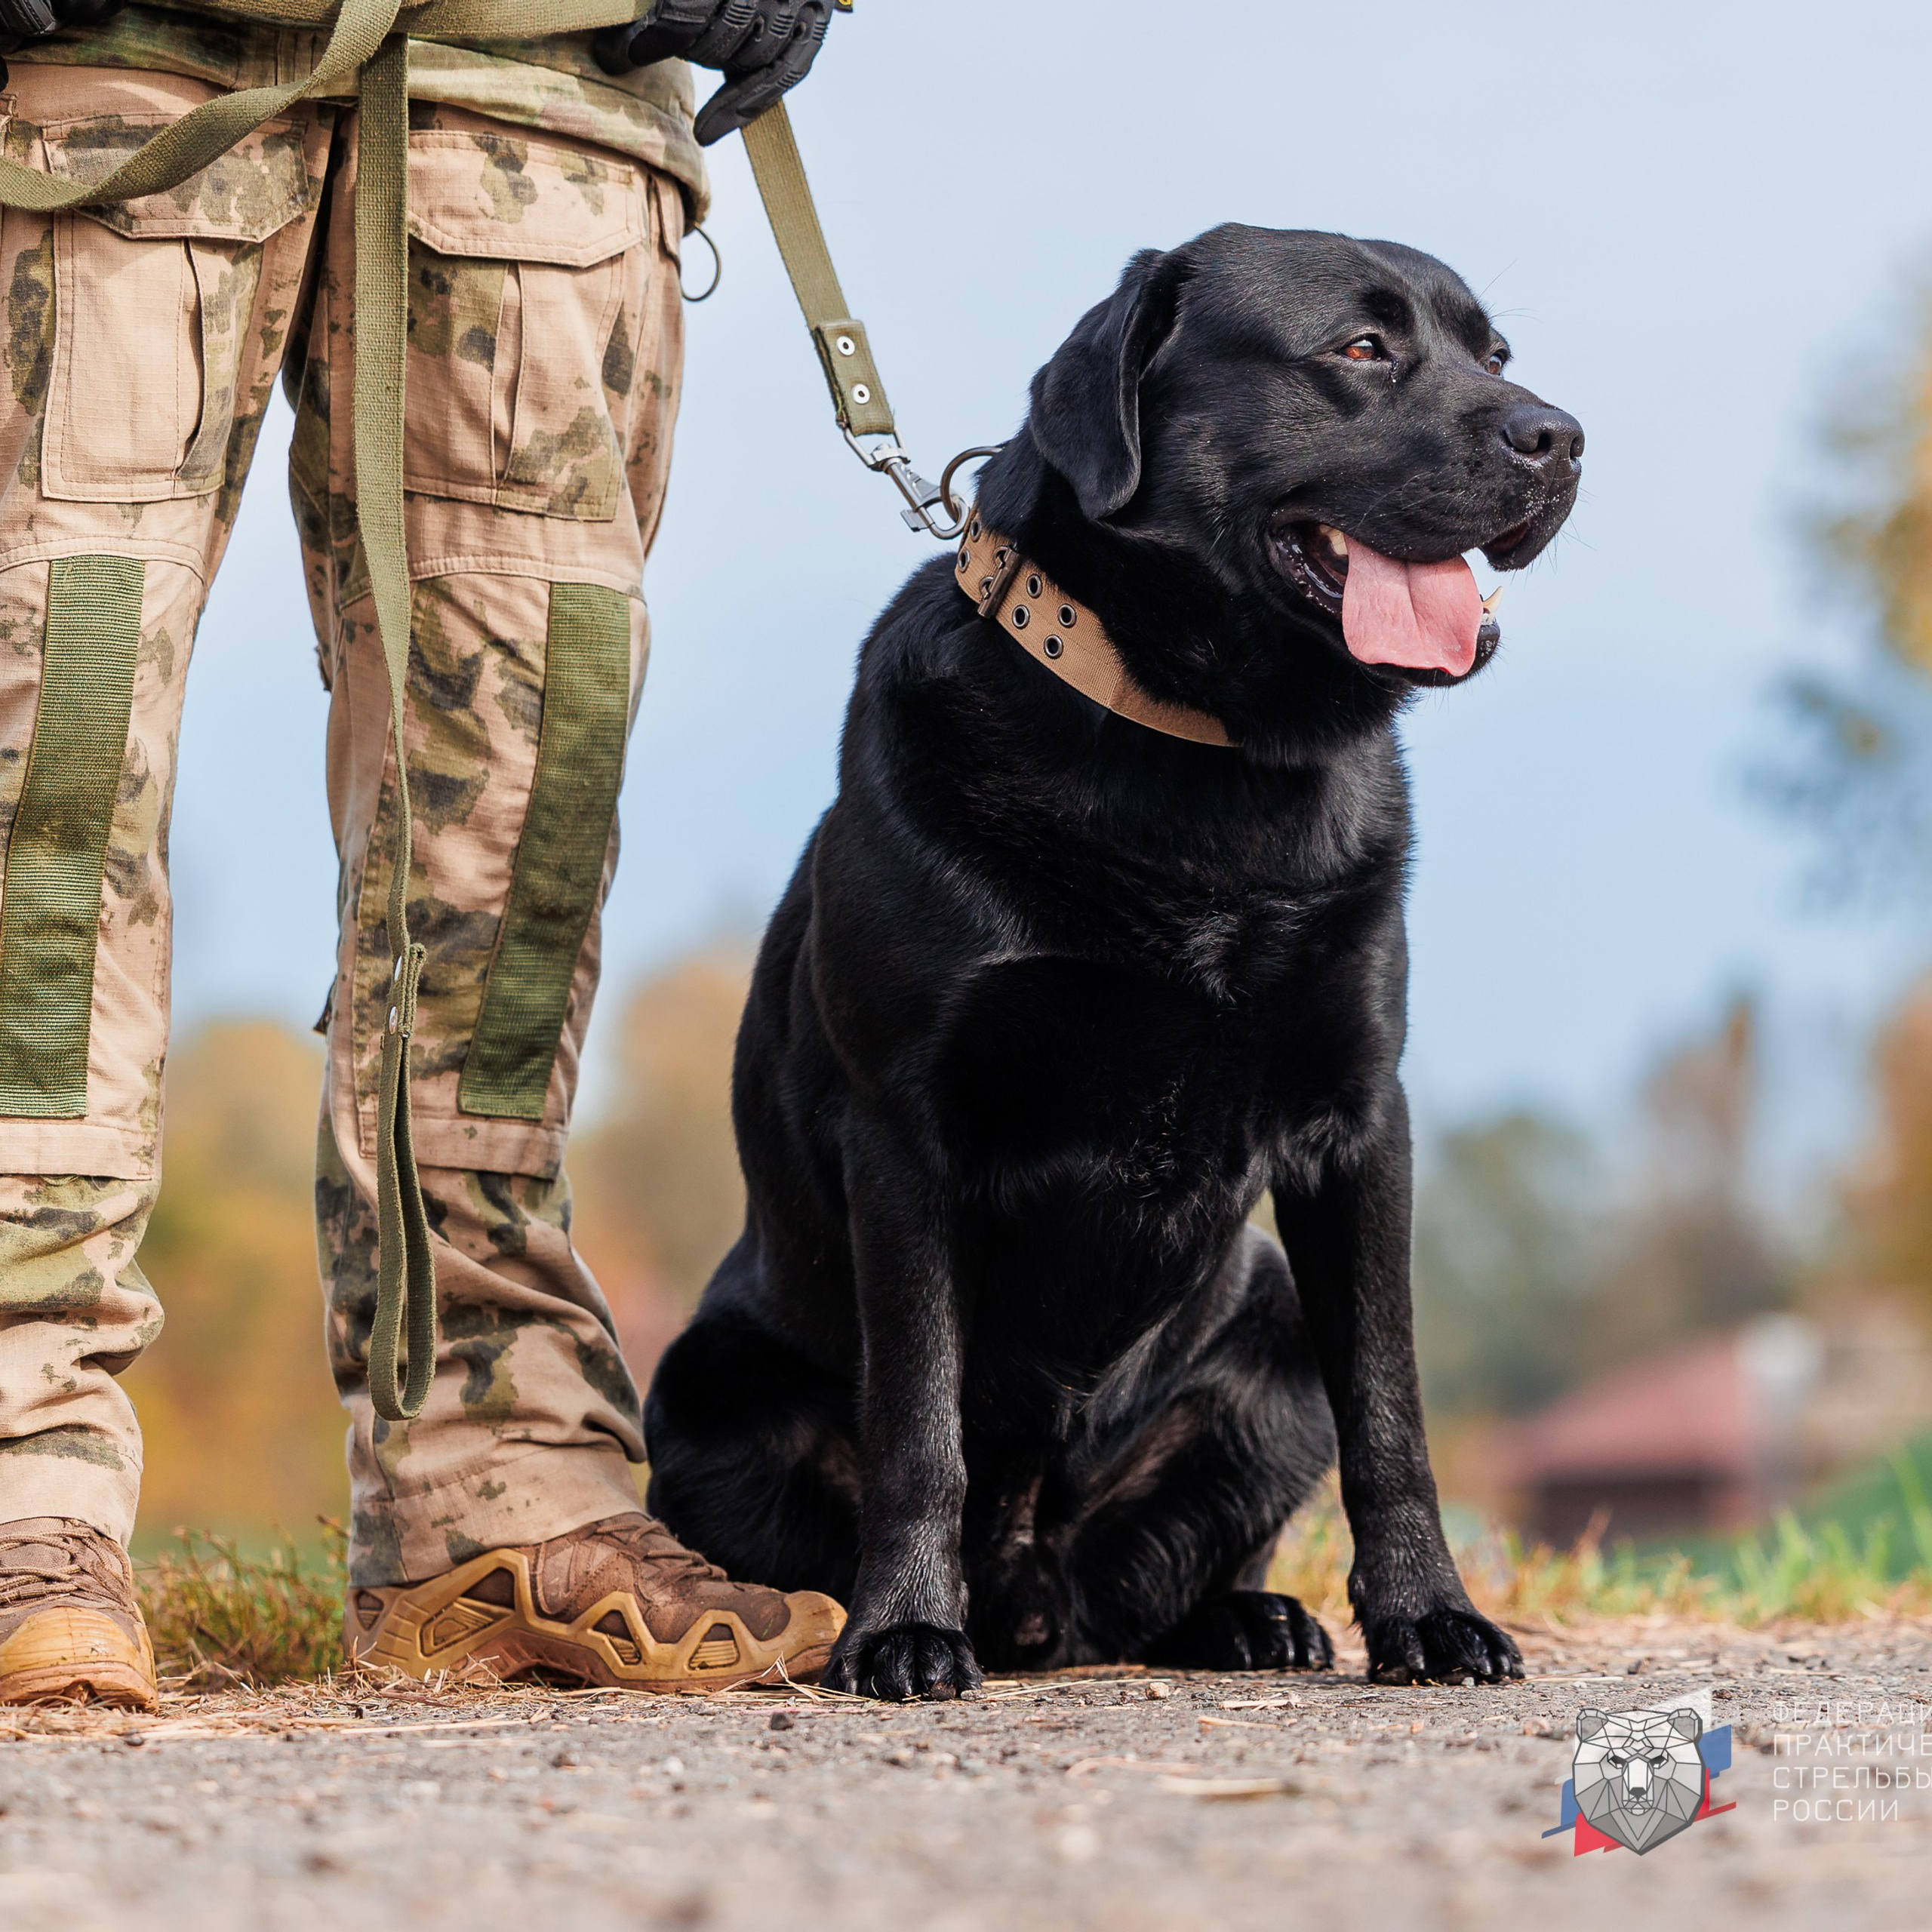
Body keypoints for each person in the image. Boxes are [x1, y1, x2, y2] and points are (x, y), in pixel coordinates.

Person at [0, 0, 845, 1710]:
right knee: (45, 766)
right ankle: (22, 1478)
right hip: (116, 59)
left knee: (526, 798)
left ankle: (497, 1483)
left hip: (542, 81)